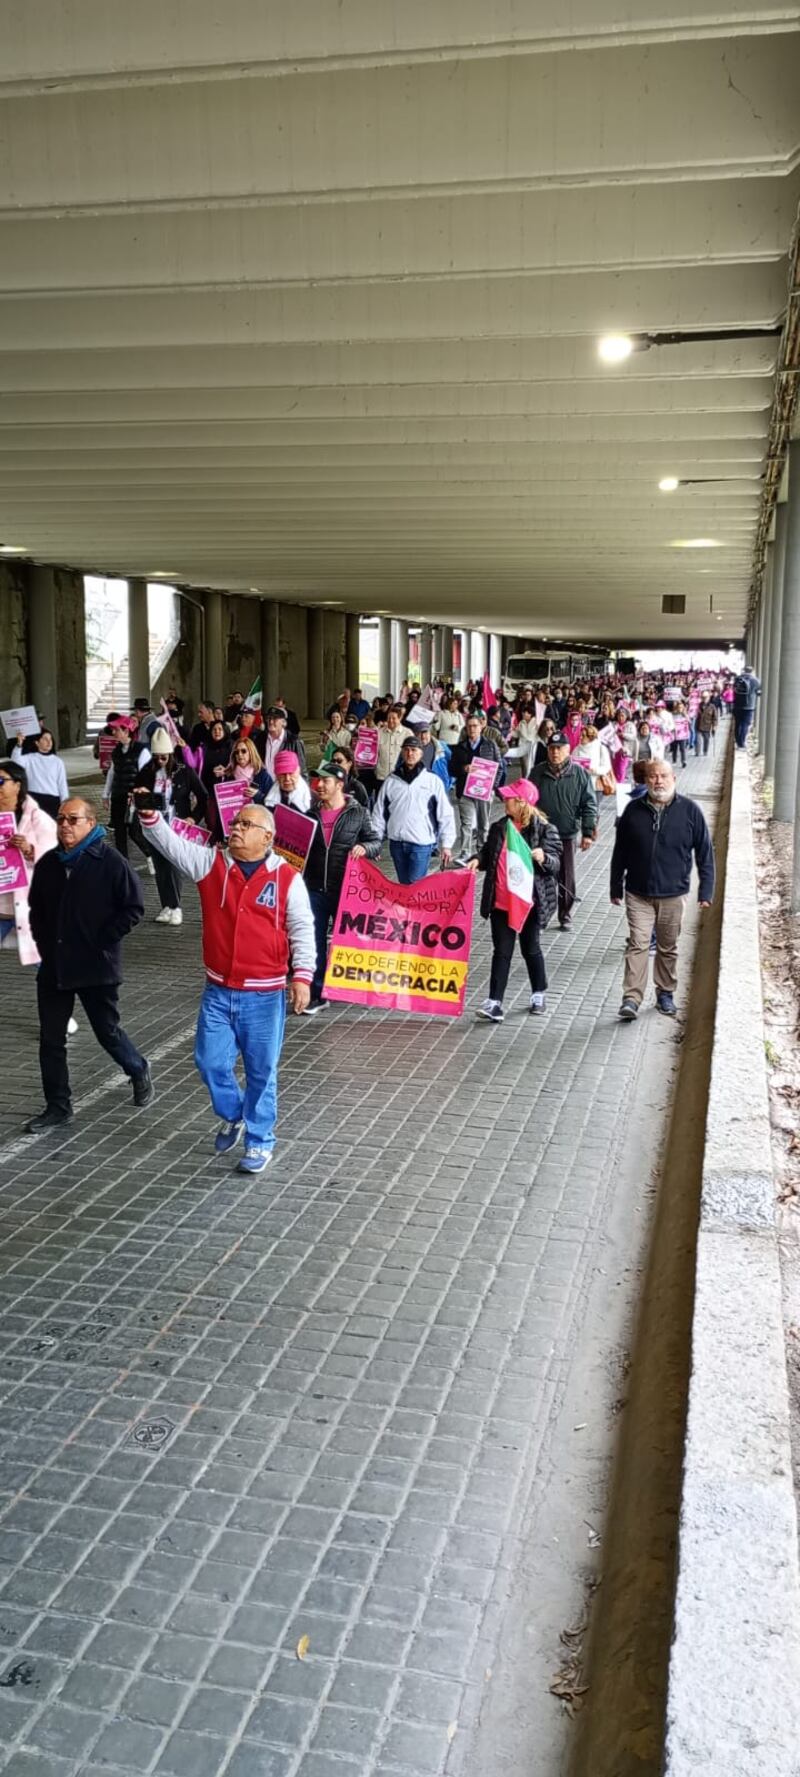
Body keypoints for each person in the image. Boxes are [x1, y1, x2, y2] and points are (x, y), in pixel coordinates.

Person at [137, 801, 315, 1172]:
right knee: (209, 1060)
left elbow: (302, 930)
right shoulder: (210, 864)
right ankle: (234, 1113)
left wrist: (302, 977)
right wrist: (150, 817)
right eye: (235, 822)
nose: (235, 828)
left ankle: (259, 1141)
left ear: (267, 837)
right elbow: (171, 844)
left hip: (265, 995)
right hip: (218, 991)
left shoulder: (287, 879)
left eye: (246, 824)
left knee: (261, 1070)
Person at [25, 797, 152, 1131]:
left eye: (73, 819)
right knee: (51, 1039)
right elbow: (36, 909)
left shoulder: (109, 861)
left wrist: (102, 938)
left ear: (91, 823)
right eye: (61, 819)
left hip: (97, 965)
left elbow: (133, 907)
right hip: (55, 965)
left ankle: (137, 1067)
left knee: (106, 1030)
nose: (65, 825)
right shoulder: (50, 863)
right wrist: (43, 945)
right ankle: (58, 1106)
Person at [611, 758, 715, 1021]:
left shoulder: (690, 811)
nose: (658, 781)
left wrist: (706, 891)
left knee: (668, 946)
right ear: (645, 780)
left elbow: (705, 853)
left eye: (663, 776)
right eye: (653, 776)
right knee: (638, 944)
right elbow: (619, 851)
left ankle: (665, 993)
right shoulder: (632, 811)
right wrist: (615, 885)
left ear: (674, 779)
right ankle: (631, 998)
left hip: (673, 894)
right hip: (637, 892)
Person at [466, 780, 561, 1023]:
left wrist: (545, 857)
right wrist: (478, 860)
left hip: (528, 902)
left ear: (521, 802)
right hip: (501, 901)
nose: (503, 801)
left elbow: (555, 864)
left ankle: (538, 992)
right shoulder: (500, 827)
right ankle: (494, 1002)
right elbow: (489, 853)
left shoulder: (544, 830)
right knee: (502, 951)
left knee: (531, 949)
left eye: (508, 798)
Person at [303, 762, 382, 1014]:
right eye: (317, 781)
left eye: (325, 781)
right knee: (313, 942)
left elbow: (375, 842)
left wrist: (365, 848)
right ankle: (318, 993)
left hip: (345, 889)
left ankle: (353, 986)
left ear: (339, 784)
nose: (319, 785)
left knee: (349, 940)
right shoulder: (309, 814)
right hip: (313, 888)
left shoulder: (358, 813)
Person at [131, 728, 207, 925]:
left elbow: (203, 796)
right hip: (154, 825)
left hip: (176, 825)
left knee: (173, 864)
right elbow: (137, 794)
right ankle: (167, 905)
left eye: (164, 757)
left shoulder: (184, 772)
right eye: (157, 757)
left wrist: (193, 817)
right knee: (159, 865)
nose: (161, 761)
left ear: (171, 755)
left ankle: (176, 906)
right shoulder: (146, 773)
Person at [529, 733, 597, 930]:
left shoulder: (579, 774)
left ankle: (565, 913)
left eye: (559, 748)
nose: (555, 752)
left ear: (568, 751)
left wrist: (587, 832)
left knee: (566, 875)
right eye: (551, 748)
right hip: (541, 834)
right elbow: (527, 800)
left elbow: (590, 804)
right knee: (541, 874)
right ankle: (541, 914)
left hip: (567, 833)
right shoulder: (537, 772)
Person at [373, 731, 455, 883]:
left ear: (421, 753)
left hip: (421, 844)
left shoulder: (432, 780)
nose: (410, 753)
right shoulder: (391, 781)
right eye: (406, 750)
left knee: (414, 885)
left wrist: (447, 844)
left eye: (414, 750)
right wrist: (375, 842)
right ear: (402, 752)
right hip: (396, 843)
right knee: (404, 886)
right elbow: (379, 814)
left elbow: (445, 814)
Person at [0, 759, 58, 964]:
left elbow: (55, 857)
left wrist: (29, 850)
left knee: (44, 961)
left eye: (1, 781)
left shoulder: (38, 819)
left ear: (17, 785)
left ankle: (57, 992)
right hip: (1, 907)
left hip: (27, 903)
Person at [450, 715, 504, 862]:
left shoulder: (490, 745)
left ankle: (482, 852)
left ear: (481, 728)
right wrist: (463, 768)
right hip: (465, 791)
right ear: (466, 729)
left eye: (475, 726)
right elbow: (452, 769)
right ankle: (465, 853)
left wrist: (492, 787)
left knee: (483, 824)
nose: (472, 729)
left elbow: (500, 767)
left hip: (483, 791)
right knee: (466, 823)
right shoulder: (460, 747)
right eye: (469, 726)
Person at [104, 716, 151, 858]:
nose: (113, 733)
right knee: (119, 831)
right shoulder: (116, 751)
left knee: (134, 831)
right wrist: (105, 795)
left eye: (116, 730)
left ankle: (151, 855)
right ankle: (123, 864)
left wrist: (140, 794)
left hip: (134, 798)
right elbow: (112, 773)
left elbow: (147, 775)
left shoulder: (141, 750)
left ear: (126, 731)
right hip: (118, 795)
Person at [11, 728, 68, 819]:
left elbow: (62, 784)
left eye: (50, 739)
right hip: (34, 798)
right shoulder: (30, 758)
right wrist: (19, 745)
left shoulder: (57, 762)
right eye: (45, 739)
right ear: (37, 742)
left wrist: (65, 803)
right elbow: (15, 761)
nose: (49, 742)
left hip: (52, 801)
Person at [263, 706, 307, 778]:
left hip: (285, 784)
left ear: (283, 722)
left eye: (275, 719)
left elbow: (302, 771)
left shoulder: (294, 742)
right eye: (269, 718)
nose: (271, 721)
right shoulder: (261, 738)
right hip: (265, 786)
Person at [375, 704, 412, 787]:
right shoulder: (379, 733)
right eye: (388, 718)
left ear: (400, 718)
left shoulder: (407, 733)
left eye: (394, 718)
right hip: (382, 776)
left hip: (400, 777)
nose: (390, 720)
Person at [732, 665, 760, 748]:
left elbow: (734, 689)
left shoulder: (737, 679)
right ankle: (741, 742)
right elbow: (759, 693)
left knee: (738, 724)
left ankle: (737, 740)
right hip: (749, 706)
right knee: (745, 724)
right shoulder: (756, 681)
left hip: (737, 705)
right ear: (752, 671)